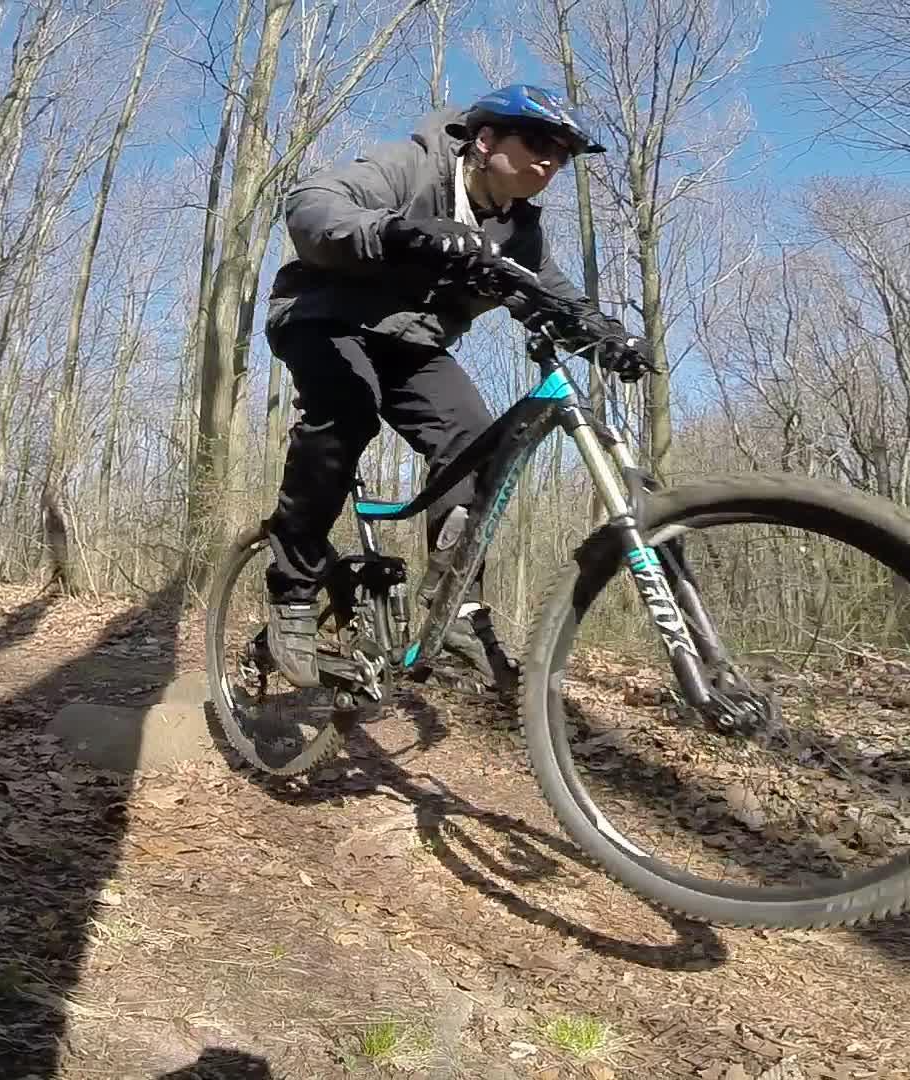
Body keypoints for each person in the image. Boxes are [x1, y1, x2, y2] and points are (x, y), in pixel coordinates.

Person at [259, 84, 648, 693]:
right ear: (486, 139)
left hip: (411, 346)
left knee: (477, 438)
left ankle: (456, 607)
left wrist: (607, 338)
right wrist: (399, 232)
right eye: (538, 142)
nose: (549, 161)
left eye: (562, 155)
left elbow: (556, 298)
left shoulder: (519, 235)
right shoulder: (413, 165)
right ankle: (294, 592)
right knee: (347, 409)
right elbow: (312, 205)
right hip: (322, 315)